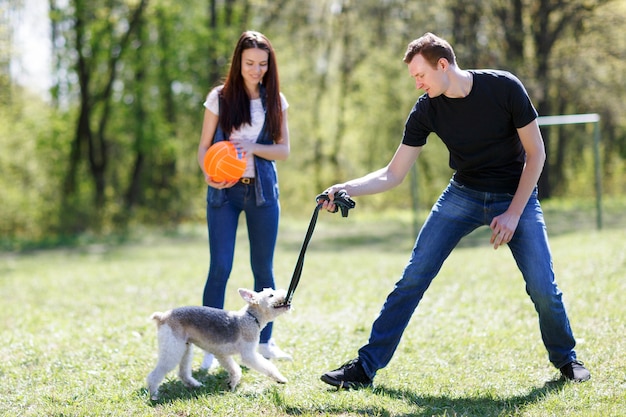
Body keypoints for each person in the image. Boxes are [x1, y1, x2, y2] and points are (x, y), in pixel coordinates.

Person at [318, 32, 590, 388]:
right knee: (413, 277)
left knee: (543, 287)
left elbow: (536, 154)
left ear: (443, 65)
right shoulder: (427, 109)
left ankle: (566, 359)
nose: (416, 83)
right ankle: (365, 367)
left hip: (515, 195)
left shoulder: (504, 88)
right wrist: (343, 187)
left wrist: (512, 214)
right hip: (463, 193)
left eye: (421, 75)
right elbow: (392, 173)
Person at [197, 30, 292, 369]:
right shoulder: (219, 98)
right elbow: (204, 147)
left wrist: (252, 147)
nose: (256, 70)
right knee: (220, 266)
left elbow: (282, 150)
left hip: (262, 191)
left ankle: (265, 343)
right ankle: (211, 347)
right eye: (250, 63)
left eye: (262, 64)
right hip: (224, 193)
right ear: (238, 62)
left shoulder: (275, 100)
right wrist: (207, 172)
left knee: (262, 270)